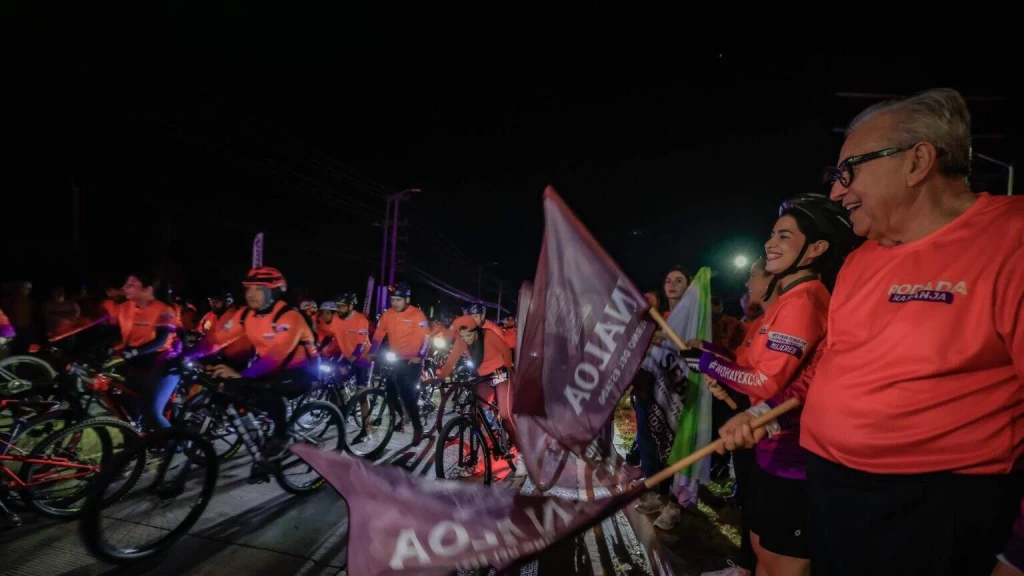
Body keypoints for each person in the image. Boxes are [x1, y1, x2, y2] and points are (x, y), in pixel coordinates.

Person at [722, 89, 1023, 576]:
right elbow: (825, 370)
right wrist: (766, 413)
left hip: (929, 511)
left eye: (850, 171)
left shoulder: (1011, 239)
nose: (838, 192)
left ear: (917, 161)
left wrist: (1016, 555)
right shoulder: (863, 260)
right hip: (832, 491)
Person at [696, 194, 858, 576]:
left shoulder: (804, 301)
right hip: (769, 450)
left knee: (780, 560)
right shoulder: (790, 299)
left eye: (784, 236)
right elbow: (754, 370)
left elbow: (767, 382)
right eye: (772, 234)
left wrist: (710, 364)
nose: (770, 243)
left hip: (792, 459)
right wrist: (719, 367)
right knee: (760, 546)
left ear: (816, 248)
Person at [185, 266, 318, 458]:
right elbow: (216, 340)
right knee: (230, 390)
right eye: (248, 289)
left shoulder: (289, 316)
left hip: (301, 370)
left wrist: (242, 375)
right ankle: (258, 443)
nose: (251, 294)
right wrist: (185, 355)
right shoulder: (247, 315)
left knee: (270, 390)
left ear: (272, 292)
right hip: (270, 368)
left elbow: (276, 356)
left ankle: (282, 435)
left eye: (258, 289)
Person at [632, 265, 691, 530]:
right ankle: (657, 492)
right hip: (652, 392)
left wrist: (660, 337)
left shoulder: (693, 318)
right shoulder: (662, 315)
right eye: (668, 279)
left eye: (679, 280)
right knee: (651, 444)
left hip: (679, 396)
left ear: (689, 287)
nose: (672, 284)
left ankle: (676, 504)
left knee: (677, 450)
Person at [435, 314, 525, 477]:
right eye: (463, 336)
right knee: (476, 416)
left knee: (505, 414)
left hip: (500, 373)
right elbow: (451, 360)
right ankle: (474, 459)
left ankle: (522, 455)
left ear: (476, 330)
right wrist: (439, 378)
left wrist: (504, 368)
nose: (466, 339)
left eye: (469, 335)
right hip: (483, 376)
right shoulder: (462, 341)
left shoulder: (489, 335)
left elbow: (505, 350)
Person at [106, 272, 182, 430]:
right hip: (136, 363)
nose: (125, 287)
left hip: (162, 363)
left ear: (147, 290)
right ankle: (136, 446)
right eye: (126, 284)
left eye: (131, 284)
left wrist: (133, 352)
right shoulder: (125, 307)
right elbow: (110, 332)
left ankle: (175, 445)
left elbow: (160, 341)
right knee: (126, 409)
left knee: (151, 412)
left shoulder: (164, 310)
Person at [369, 282, 430, 445]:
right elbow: (378, 334)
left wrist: (420, 355)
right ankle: (402, 416)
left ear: (407, 300)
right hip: (396, 359)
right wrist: (372, 351)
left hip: (413, 361)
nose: (394, 303)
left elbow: (426, 338)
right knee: (390, 393)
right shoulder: (387, 315)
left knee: (407, 394)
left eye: (398, 300)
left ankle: (418, 428)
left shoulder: (417, 315)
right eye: (393, 299)